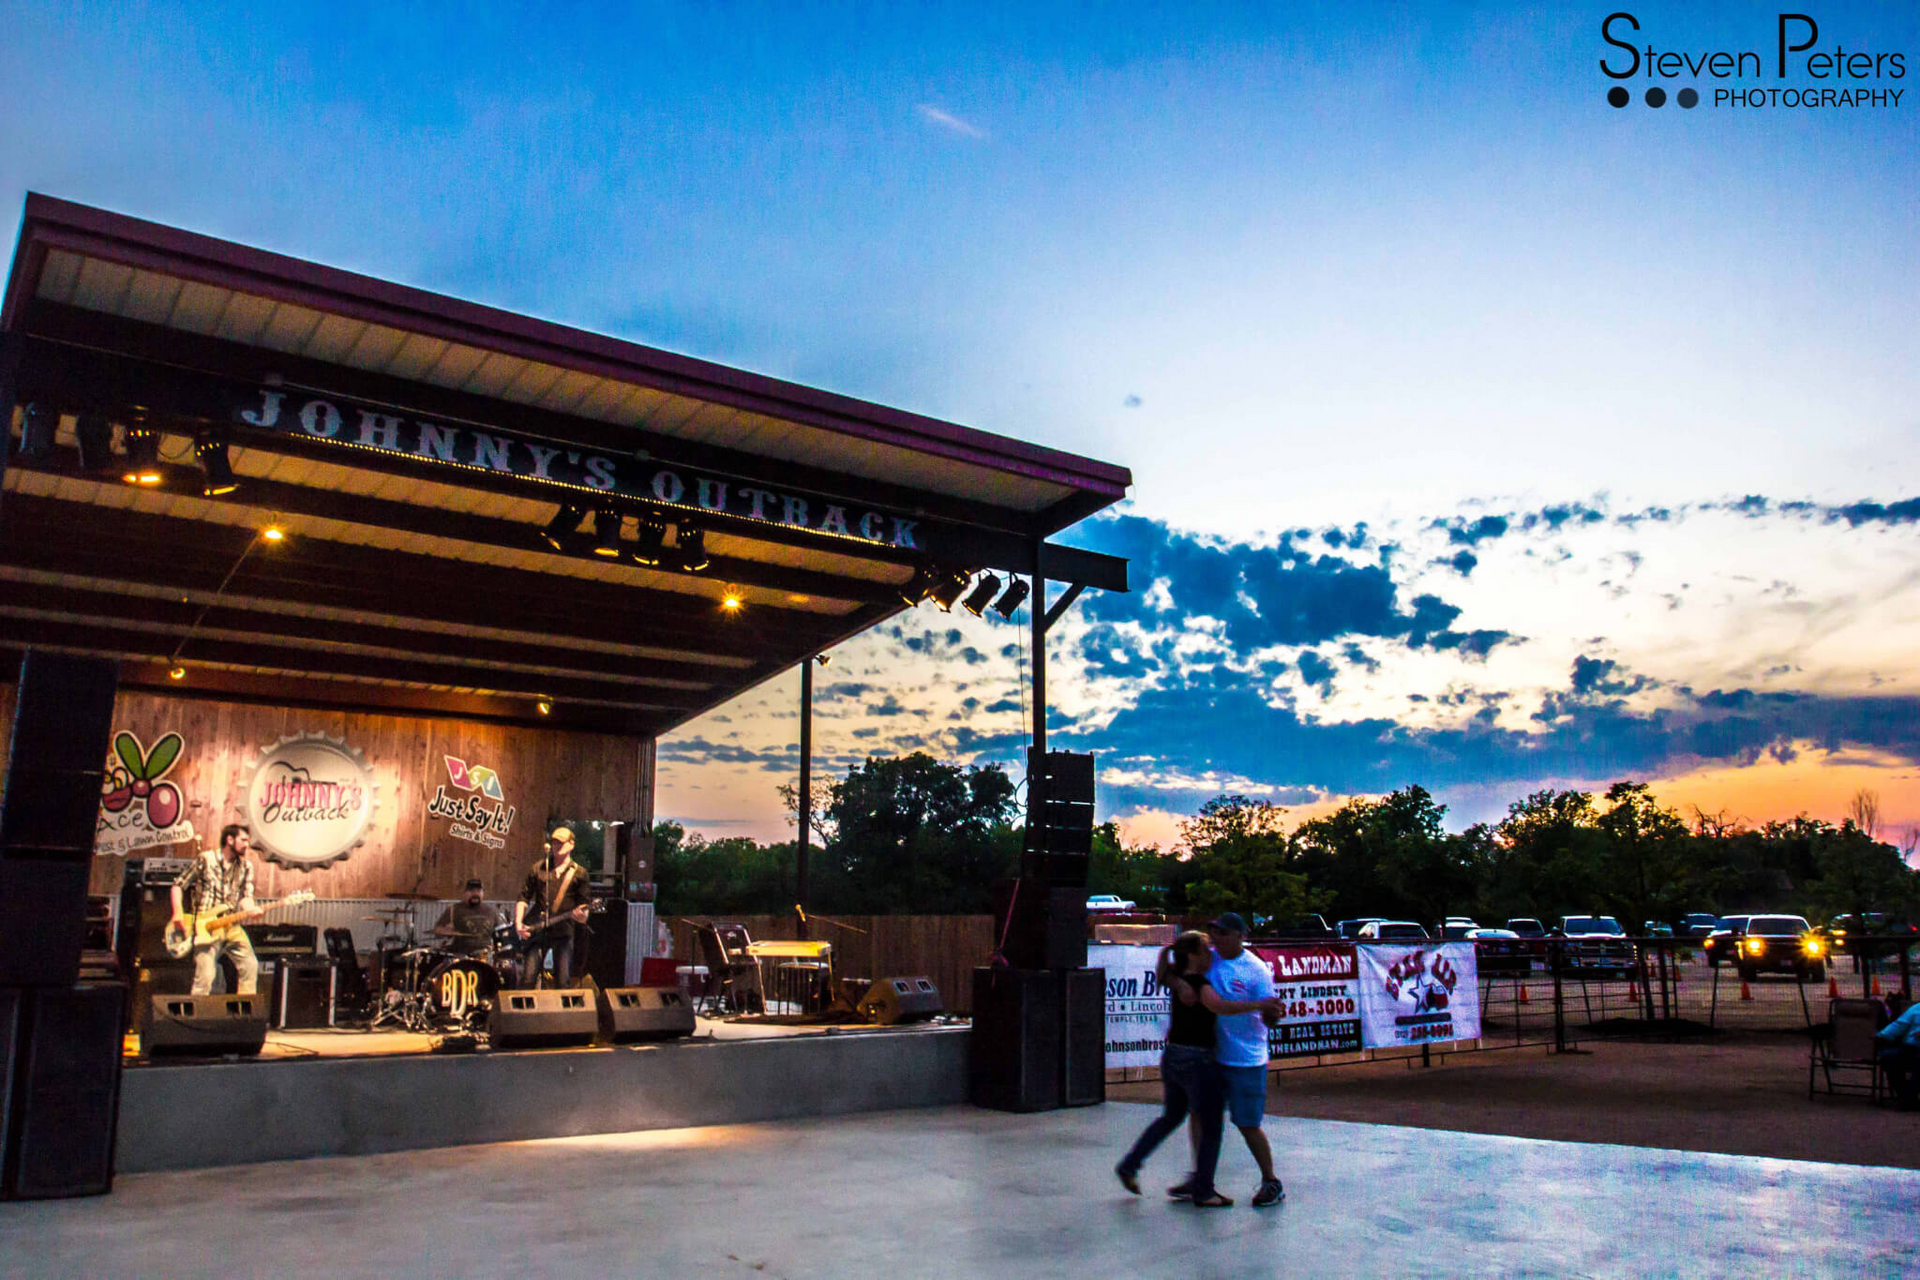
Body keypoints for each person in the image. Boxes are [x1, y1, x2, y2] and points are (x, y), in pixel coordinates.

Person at [1115, 931, 1278, 1208]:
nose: (1210, 953)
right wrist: (1258, 1004)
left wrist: (1176, 977)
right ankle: (1204, 1190)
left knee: (1172, 1116)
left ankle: (1130, 1164)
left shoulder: (1178, 977)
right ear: (1192, 955)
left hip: (1174, 1056)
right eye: (1204, 949)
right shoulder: (1199, 985)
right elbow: (1221, 1006)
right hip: (1198, 1060)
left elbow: (1163, 972)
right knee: (1212, 1126)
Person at [1205, 912, 1286, 1207]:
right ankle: (1201, 1179)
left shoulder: (1255, 970)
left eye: (1223, 933)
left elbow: (1269, 1014)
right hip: (1214, 1056)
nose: (1217, 938)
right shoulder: (1208, 959)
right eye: (1214, 932)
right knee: (1205, 1119)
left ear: (1240, 936)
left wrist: (1272, 1013)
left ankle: (1271, 1180)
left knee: (1247, 1123)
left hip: (1246, 1060)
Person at [169, 824, 261, 996]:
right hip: (207, 927)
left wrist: (251, 909)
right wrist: (177, 913)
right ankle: (197, 1011)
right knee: (205, 976)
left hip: (230, 924)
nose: (247, 845)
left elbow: (245, 897)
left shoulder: (246, 867)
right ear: (230, 840)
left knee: (250, 966)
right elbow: (178, 885)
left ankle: (245, 1010)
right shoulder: (206, 859)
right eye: (243, 840)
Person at [514, 827, 591, 988]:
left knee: (563, 981)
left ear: (571, 844)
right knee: (528, 978)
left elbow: (584, 906)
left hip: (563, 931)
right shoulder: (538, 868)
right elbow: (523, 897)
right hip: (537, 929)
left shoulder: (579, 873)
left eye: (561, 843)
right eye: (554, 843)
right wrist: (518, 922)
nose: (556, 846)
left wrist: (581, 917)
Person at [434, 878, 501, 957]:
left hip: (485, 956)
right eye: (471, 891)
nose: (475, 894)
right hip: (460, 955)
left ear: (483, 893)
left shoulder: (491, 911)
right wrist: (445, 930)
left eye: (478, 891)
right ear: (464, 893)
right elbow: (437, 930)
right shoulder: (453, 910)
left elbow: (499, 932)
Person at [1875, 996, 1920, 1106]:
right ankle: (1906, 1095)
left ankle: (1908, 1097)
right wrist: (1882, 1035)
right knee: (1889, 1057)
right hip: (1911, 1047)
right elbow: (1899, 1024)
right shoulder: (1916, 1009)